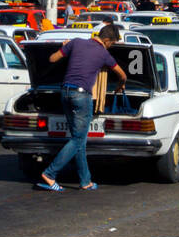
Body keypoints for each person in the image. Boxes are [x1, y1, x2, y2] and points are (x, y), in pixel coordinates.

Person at [37, 24, 127, 191]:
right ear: (106, 40)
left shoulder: (76, 42)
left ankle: (85, 181)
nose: (111, 46)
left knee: (79, 140)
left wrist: (64, 47)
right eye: (112, 44)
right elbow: (122, 74)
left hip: (65, 92)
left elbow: (52, 59)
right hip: (81, 96)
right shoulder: (104, 53)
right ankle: (50, 174)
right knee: (78, 139)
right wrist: (120, 86)